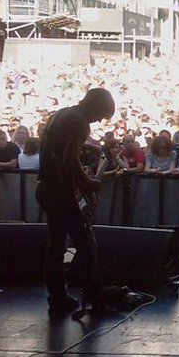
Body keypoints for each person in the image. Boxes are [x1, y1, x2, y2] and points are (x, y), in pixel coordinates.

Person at [36, 87, 119, 316]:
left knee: (56, 244)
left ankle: (57, 296)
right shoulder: (81, 122)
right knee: (85, 242)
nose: (100, 120)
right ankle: (97, 295)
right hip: (62, 192)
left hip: (45, 187)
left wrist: (85, 145)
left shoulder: (62, 113)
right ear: (96, 107)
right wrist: (88, 183)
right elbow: (69, 160)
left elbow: (57, 147)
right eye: (101, 115)